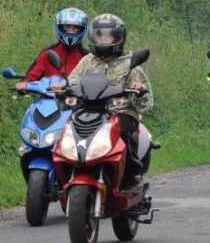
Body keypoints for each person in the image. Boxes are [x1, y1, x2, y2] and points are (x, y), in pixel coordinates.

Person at [65, 13, 153, 188]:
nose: (103, 40)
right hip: (89, 111)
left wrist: (138, 89)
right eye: (99, 35)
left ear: (118, 37)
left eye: (108, 36)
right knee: (67, 131)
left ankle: (131, 174)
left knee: (121, 132)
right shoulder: (87, 62)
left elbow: (147, 101)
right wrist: (64, 88)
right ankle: (65, 173)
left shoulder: (130, 62)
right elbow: (72, 80)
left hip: (120, 112)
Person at [15, 8, 89, 92]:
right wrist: (24, 85)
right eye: (67, 27)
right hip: (48, 100)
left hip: (76, 102)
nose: (71, 31)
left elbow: (93, 83)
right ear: (60, 27)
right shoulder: (46, 53)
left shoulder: (87, 57)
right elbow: (32, 76)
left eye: (76, 28)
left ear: (82, 29)